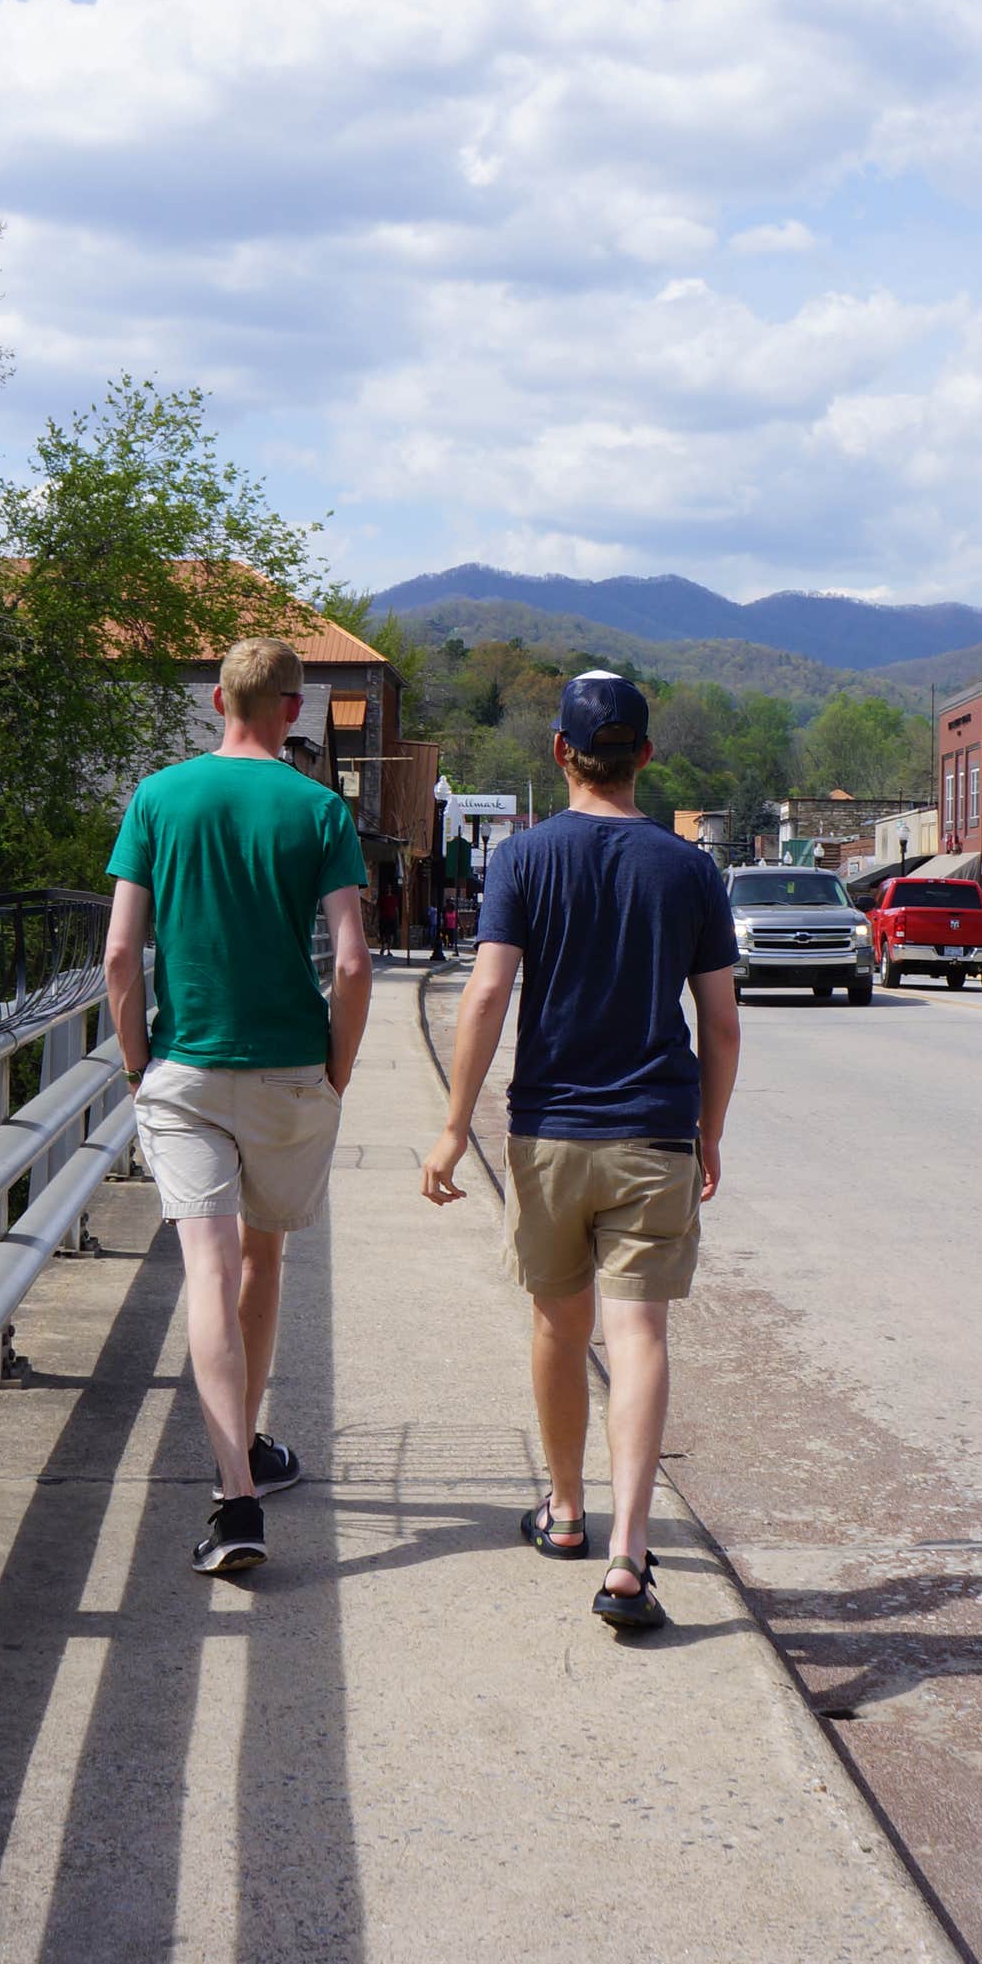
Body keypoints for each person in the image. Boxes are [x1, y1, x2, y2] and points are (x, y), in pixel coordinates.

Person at [420, 672, 739, 1634]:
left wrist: (451, 1125)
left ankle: (563, 1512)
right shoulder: (690, 870)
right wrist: (709, 1132)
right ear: (646, 754)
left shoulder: (522, 859)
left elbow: (484, 997)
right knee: (639, 1337)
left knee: (562, 1329)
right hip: (654, 1133)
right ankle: (629, 1555)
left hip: (550, 1133)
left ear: (560, 751)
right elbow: (720, 1023)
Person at [104, 637, 374, 1576]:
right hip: (290, 1067)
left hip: (184, 1065)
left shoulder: (157, 798)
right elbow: (349, 959)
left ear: (218, 699)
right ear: (293, 711)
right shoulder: (319, 808)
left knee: (206, 1274)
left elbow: (118, 956)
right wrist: (336, 1069)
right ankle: (251, 1444)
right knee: (264, 1259)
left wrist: (141, 1066)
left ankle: (236, 1497)